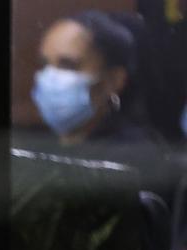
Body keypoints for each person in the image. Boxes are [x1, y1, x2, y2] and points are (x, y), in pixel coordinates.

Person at [28, 11, 169, 190]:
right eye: (45, 64)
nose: (50, 77)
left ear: (114, 80)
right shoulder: (37, 147)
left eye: (68, 65)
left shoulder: (134, 160)